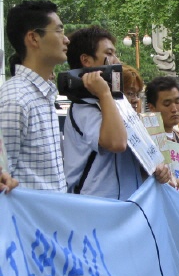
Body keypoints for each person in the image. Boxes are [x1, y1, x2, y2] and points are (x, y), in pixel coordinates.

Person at [63, 26, 170, 200]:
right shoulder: (83, 108)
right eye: (109, 53)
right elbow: (117, 143)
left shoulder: (115, 104)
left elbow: (136, 152)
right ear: (86, 60)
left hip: (127, 208)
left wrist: (156, 167)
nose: (117, 61)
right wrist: (104, 93)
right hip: (97, 210)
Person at [0, 0, 69, 191]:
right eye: (59, 31)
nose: (66, 40)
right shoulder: (15, 99)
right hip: (28, 219)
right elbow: (4, 174)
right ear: (34, 38)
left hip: (50, 216)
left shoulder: (43, 94)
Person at [145, 76, 179, 193]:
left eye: (177, 101)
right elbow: (147, 179)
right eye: (167, 104)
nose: (174, 109)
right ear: (152, 107)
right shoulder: (147, 140)